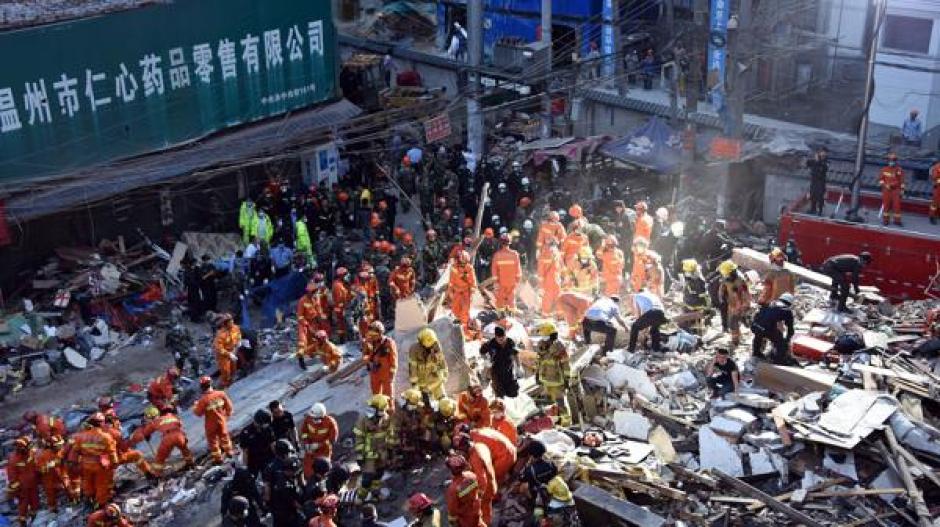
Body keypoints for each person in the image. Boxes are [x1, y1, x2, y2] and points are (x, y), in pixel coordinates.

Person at [68, 413, 119, 507]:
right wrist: (114, 464)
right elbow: (112, 453)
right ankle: (101, 505)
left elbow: (75, 451)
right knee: (101, 485)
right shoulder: (106, 437)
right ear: (101, 423)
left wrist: (73, 464)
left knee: (88, 482)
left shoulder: (81, 436)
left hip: (86, 464)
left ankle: (89, 498)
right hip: (100, 465)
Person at [129, 405, 194, 476]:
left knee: (160, 457)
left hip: (168, 438)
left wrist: (135, 436)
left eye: (147, 417)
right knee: (185, 449)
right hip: (180, 435)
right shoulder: (171, 416)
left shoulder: (155, 422)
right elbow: (179, 423)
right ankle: (190, 463)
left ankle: (157, 474)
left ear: (151, 417)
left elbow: (145, 433)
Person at [353, 394, 396, 500]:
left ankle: (375, 494)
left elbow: (390, 434)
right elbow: (359, 438)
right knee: (367, 479)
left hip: (382, 453)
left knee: (379, 475)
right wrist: (359, 455)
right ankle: (360, 497)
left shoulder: (386, 418)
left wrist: (390, 450)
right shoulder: (363, 419)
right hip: (368, 455)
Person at [192, 376, 235, 464]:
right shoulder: (221, 394)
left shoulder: (203, 400)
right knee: (225, 438)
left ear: (202, 387)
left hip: (210, 425)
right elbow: (229, 408)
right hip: (221, 421)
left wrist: (195, 406)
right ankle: (229, 452)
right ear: (211, 384)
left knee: (213, 442)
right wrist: (225, 417)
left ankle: (218, 459)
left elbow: (198, 413)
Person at [535, 321, 571, 417]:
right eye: (543, 336)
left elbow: (565, 364)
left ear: (552, 336)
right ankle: (553, 421)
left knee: (561, 404)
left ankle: (565, 421)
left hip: (557, 382)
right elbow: (539, 361)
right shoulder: (541, 346)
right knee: (548, 404)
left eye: (545, 336)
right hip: (545, 381)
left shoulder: (559, 347)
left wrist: (567, 379)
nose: (543, 338)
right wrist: (537, 374)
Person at [751, 293, 795, 363]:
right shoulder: (787, 310)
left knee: (759, 334)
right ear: (790, 303)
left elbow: (761, 314)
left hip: (754, 325)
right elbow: (790, 329)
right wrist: (787, 340)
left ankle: (756, 352)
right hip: (766, 329)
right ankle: (778, 360)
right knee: (780, 342)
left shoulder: (770, 303)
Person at [409, 327, 449, 402]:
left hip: (434, 379)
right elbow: (412, 367)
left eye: (432, 342)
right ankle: (427, 407)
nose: (431, 346)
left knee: (443, 399)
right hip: (421, 381)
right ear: (421, 341)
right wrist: (414, 383)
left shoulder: (436, 346)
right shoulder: (414, 349)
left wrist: (445, 374)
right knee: (424, 402)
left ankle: (444, 408)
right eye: (428, 343)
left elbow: (442, 361)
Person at [479, 325, 520, 398]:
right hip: (496, 371)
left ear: (505, 336)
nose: (502, 341)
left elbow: (516, 354)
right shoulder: (491, 343)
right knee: (500, 393)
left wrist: (519, 367)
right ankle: (497, 393)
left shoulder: (510, 342)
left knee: (513, 392)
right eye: (499, 339)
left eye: (503, 338)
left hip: (508, 370)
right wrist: (486, 360)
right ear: (495, 337)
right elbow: (482, 352)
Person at [362, 321, 398, 403]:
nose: (372, 337)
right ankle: (378, 408)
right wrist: (366, 359)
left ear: (380, 333)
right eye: (371, 334)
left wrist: (392, 372)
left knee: (388, 394)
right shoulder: (369, 342)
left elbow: (394, 359)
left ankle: (389, 410)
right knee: (375, 394)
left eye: (374, 335)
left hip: (386, 372)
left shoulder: (389, 343)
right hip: (374, 372)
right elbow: (365, 353)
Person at [6, 436, 39, 525]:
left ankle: (34, 517)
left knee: (35, 502)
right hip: (23, 489)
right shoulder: (13, 461)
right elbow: (12, 478)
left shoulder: (30, 453)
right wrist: (18, 490)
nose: (30, 449)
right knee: (23, 505)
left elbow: (35, 465)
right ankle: (22, 521)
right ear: (21, 448)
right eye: (27, 447)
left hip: (33, 485)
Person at [445, 454, 485, 527]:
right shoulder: (472, 475)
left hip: (466, 519)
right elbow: (479, 490)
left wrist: (453, 523)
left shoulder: (452, 489)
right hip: (476, 510)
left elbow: (452, 510)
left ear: (451, 470)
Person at [300, 403, 338, 479]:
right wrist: (306, 443)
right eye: (313, 418)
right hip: (310, 451)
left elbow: (332, 440)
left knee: (322, 472)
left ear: (323, 416)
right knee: (308, 471)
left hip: (324, 452)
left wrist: (320, 445)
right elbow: (304, 432)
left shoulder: (330, 423)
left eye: (316, 418)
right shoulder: (308, 419)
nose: (314, 420)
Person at [717, 260, 751, 346]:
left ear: (731, 272)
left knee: (733, 323)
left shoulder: (740, 280)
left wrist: (745, 306)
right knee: (733, 322)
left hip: (739, 305)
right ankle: (737, 336)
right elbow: (722, 290)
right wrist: (722, 298)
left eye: (726, 274)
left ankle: (735, 340)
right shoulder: (727, 280)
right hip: (732, 305)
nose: (725, 275)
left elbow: (745, 294)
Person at [36, 435, 70, 512]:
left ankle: (73, 501)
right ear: (52, 446)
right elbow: (40, 470)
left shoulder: (62, 451)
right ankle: (53, 510)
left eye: (61, 445)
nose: (60, 447)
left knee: (69, 489)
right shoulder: (43, 455)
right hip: (49, 480)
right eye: (58, 445)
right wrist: (49, 465)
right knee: (51, 496)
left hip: (62, 476)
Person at [239, 409, 276, 478]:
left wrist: (278, 457)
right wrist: (245, 467)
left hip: (267, 457)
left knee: (270, 478)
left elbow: (272, 444)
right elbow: (245, 452)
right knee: (250, 480)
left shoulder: (268, 429)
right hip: (253, 460)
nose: (266, 425)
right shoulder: (246, 433)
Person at [448, 250, 478, 334]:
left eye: (460, 259)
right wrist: (450, 292)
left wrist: (471, 293)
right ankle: (455, 330)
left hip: (466, 293)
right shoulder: (453, 267)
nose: (458, 261)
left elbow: (473, 282)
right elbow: (451, 281)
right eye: (458, 259)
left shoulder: (469, 268)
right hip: (457, 293)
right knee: (455, 310)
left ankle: (464, 331)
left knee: (464, 313)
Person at [492, 233, 523, 309]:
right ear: (510, 242)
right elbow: (518, 270)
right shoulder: (515, 254)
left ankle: (501, 317)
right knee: (511, 300)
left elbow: (494, 271)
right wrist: (517, 281)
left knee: (500, 301)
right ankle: (511, 317)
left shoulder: (497, 255)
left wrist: (496, 283)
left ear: (501, 243)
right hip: (512, 282)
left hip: (501, 282)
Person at [214, 314, 242, 388]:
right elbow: (219, 348)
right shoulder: (221, 335)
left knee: (234, 368)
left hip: (233, 350)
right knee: (226, 372)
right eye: (229, 321)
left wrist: (239, 341)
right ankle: (224, 386)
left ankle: (232, 383)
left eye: (231, 320)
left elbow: (238, 335)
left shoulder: (235, 328)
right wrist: (229, 354)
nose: (232, 322)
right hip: (223, 355)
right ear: (225, 323)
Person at [879, 152, 905, 226]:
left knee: (897, 206)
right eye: (890, 160)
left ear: (895, 161)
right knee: (886, 206)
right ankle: (885, 220)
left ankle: (897, 221)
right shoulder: (884, 170)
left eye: (893, 160)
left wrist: (902, 191)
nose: (891, 162)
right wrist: (884, 185)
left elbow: (901, 181)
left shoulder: (899, 170)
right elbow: (880, 180)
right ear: (887, 161)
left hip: (895, 191)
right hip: (886, 190)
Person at [806, 146, 829, 215]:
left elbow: (824, 169)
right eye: (822, 153)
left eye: (824, 154)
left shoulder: (824, 163)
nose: (823, 155)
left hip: (821, 181)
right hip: (814, 180)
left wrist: (818, 161)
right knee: (813, 194)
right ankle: (812, 209)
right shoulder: (814, 161)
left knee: (820, 196)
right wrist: (814, 159)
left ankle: (820, 210)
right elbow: (808, 163)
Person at [931, 158, 940, 224]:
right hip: (938, 187)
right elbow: (934, 177)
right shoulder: (937, 167)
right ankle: (932, 216)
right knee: (935, 203)